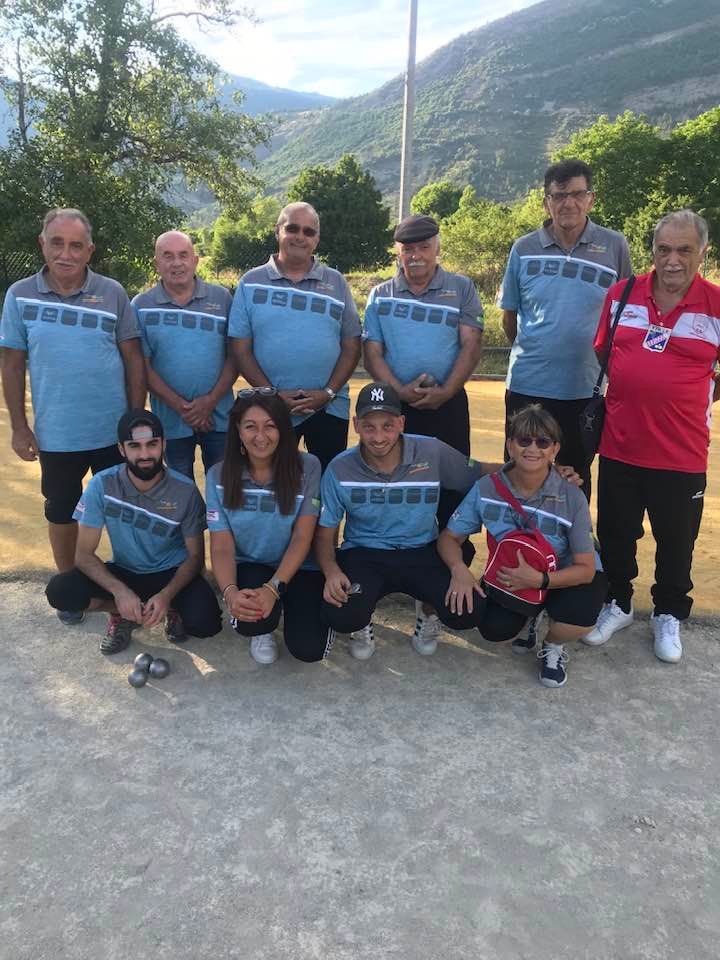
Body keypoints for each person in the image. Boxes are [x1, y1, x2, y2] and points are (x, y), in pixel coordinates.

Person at [585, 210, 720, 663]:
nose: (673, 260)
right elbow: (605, 351)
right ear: (653, 251)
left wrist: (688, 396)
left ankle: (668, 612)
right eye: (664, 249)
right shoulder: (622, 295)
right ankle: (618, 602)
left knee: (676, 542)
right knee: (616, 533)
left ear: (703, 252)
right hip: (620, 444)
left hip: (682, 452)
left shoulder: (716, 304)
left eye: (684, 250)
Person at [1, 208, 146, 625]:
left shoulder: (112, 293)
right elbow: (12, 363)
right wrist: (20, 427)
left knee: (122, 513)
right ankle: (72, 590)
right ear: (42, 244)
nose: (66, 254)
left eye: (76, 245)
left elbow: (133, 359)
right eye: (57, 243)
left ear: (89, 251)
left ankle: (128, 587)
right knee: (61, 511)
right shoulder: (20, 295)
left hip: (112, 433)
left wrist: (135, 421)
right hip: (57, 435)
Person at [316, 381, 505, 661]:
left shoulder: (431, 451)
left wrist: (538, 470)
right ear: (355, 425)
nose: (378, 437)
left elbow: (479, 472)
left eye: (387, 426)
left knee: (469, 611)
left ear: (402, 423)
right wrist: (332, 571)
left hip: (422, 549)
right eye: (369, 426)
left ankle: (427, 610)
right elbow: (324, 534)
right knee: (342, 614)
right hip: (365, 553)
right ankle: (361, 620)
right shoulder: (339, 468)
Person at [437, 404, 605, 688]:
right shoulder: (487, 488)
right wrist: (459, 569)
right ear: (510, 446)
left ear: (554, 449)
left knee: (578, 619)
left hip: (565, 572)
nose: (533, 448)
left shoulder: (571, 495)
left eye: (543, 442)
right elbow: (449, 538)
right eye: (524, 440)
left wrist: (540, 580)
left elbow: (586, 569)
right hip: (515, 575)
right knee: (492, 629)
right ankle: (530, 618)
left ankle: (553, 645)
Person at [499, 159, 632, 497]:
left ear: (591, 199)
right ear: (546, 202)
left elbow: (625, 314)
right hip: (528, 386)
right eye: (558, 196)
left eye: (577, 194)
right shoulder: (523, 248)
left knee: (575, 480)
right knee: (520, 477)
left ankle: (572, 534)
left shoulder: (615, 246)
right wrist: (540, 349)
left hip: (584, 390)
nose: (568, 203)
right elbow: (509, 317)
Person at [45, 410, 222, 653]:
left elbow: (195, 557)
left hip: (169, 572)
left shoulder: (185, 490)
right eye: (134, 446)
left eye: (152, 444)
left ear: (163, 444)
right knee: (61, 591)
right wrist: (119, 592)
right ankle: (121, 612)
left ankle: (170, 609)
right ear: (121, 449)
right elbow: (83, 554)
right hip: (125, 571)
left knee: (206, 623)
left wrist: (166, 595)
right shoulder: (102, 484)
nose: (145, 454)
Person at [228, 202, 361, 471]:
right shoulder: (250, 282)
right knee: (273, 483)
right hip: (269, 412)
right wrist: (273, 397)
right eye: (292, 228)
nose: (300, 236)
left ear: (317, 239)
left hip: (329, 407)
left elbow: (351, 345)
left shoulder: (336, 283)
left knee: (327, 484)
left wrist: (328, 392)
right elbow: (240, 349)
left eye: (308, 232)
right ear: (277, 231)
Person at [207, 389, 330, 665]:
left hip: (301, 567)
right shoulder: (218, 475)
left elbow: (302, 537)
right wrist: (230, 592)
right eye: (250, 426)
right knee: (250, 621)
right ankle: (264, 626)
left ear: (284, 429)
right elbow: (222, 546)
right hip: (252, 565)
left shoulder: (308, 467)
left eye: (270, 426)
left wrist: (273, 589)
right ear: (237, 430)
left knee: (310, 649)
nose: (260, 437)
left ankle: (288, 604)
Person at [363, 214, 483, 459]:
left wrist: (446, 391)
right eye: (408, 249)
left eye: (424, 247)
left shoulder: (462, 288)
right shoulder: (379, 295)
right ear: (398, 252)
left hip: (449, 403)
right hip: (394, 406)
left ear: (437, 248)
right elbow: (372, 354)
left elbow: (471, 344)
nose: (416, 255)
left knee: (452, 475)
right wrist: (399, 392)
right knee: (397, 474)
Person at [133, 230, 235, 479]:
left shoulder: (222, 299)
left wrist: (209, 401)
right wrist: (184, 407)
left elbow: (235, 357)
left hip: (219, 418)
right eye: (167, 256)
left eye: (183, 255)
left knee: (223, 488)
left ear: (195, 260)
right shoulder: (140, 306)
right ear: (156, 263)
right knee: (179, 491)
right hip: (171, 422)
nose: (176, 263)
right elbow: (142, 366)